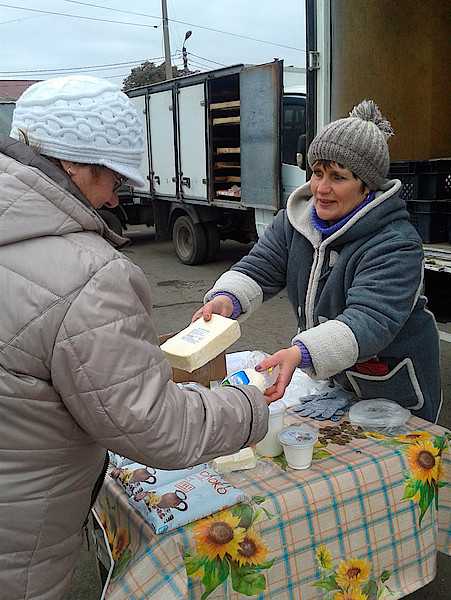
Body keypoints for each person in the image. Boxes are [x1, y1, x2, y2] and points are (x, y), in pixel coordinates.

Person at [0, 76, 269, 600]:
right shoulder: (89, 274)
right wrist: (250, 407)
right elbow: (156, 427)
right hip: (20, 537)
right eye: (115, 178)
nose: (117, 193)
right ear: (76, 165)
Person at [193, 100, 442, 423]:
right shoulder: (295, 221)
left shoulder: (395, 242)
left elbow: (370, 320)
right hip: (338, 378)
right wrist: (226, 300)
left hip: (393, 386)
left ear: (367, 187)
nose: (321, 189)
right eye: (317, 173)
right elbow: (258, 268)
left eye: (338, 177)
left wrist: (301, 353)